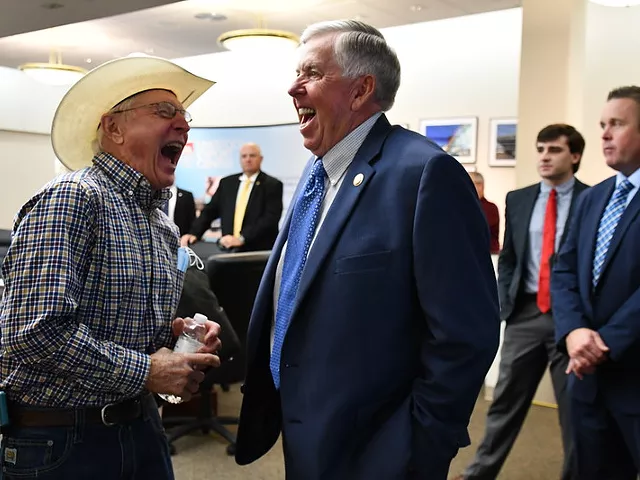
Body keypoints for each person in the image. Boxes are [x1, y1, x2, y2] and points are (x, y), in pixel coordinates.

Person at [234, 20, 500, 479]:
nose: (292, 88)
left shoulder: (425, 175)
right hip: (306, 437)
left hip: (382, 452)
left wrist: (418, 446)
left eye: (311, 73)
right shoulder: (316, 177)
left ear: (361, 90)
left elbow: (465, 335)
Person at [0, 56, 222, 479]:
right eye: (164, 111)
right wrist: (149, 370)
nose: (183, 124)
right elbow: (30, 334)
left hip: (142, 429)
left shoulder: (161, 224)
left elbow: (128, 330)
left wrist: (178, 339)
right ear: (113, 128)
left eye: (184, 115)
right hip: (64, 444)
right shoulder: (72, 198)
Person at [455, 124, 589, 480]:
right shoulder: (519, 198)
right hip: (525, 314)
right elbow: (510, 258)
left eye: (555, 150)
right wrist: (504, 306)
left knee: (576, 408)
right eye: (540, 148)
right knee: (504, 402)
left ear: (574, 156)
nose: (544, 156)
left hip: (573, 318)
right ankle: (478, 475)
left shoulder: (593, 198)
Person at [552, 86, 640, 479]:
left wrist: (604, 342)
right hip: (587, 380)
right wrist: (573, 331)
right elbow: (564, 269)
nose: (603, 134)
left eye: (617, 124)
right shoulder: (593, 198)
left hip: (632, 372)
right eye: (603, 124)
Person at [181, 143, 283, 252]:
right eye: (244, 156)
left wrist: (242, 238)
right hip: (229, 250)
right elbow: (210, 211)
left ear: (261, 159)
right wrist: (194, 233)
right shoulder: (227, 183)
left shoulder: (272, 185)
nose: (248, 159)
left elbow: (270, 218)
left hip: (259, 251)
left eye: (252, 155)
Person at [469, 171, 501, 254]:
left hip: (488, 254)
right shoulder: (464, 205)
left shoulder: (491, 207)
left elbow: (475, 230)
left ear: (480, 186)